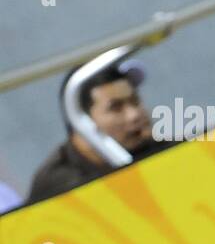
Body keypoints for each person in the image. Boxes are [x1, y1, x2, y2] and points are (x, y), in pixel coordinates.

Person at [28, 63, 173, 203]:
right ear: (82, 122)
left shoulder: (160, 148)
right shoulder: (60, 186)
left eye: (135, 101)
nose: (134, 114)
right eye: (116, 107)